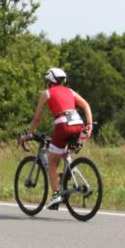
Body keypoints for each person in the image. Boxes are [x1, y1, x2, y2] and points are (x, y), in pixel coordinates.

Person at [19, 68, 93, 210]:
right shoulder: (70, 91)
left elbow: (37, 118)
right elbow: (86, 105)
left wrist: (29, 134)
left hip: (63, 124)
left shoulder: (46, 93)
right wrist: (89, 125)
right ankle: (69, 174)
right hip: (78, 123)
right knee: (64, 151)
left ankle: (56, 195)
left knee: (52, 162)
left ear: (49, 81)